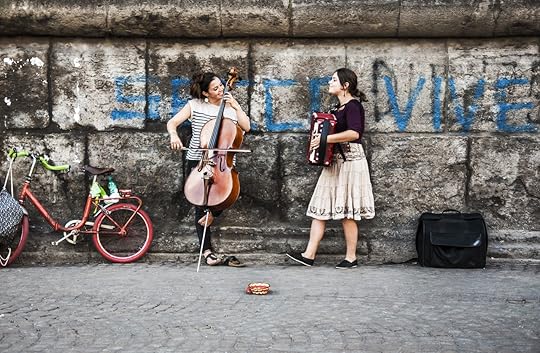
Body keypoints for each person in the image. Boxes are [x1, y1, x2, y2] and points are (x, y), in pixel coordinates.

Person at [287, 68, 375, 269]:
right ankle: (308, 255)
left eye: (334, 80)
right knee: (320, 207)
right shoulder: (336, 110)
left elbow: (354, 133)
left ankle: (351, 257)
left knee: (347, 212)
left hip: (351, 161)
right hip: (334, 161)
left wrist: (324, 139)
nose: (330, 82)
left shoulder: (354, 106)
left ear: (345, 85)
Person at [167, 72, 250, 266]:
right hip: (199, 160)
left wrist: (236, 105)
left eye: (221, 85)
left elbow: (246, 126)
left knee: (226, 196)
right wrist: (174, 136)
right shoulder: (195, 106)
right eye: (215, 88)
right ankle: (207, 252)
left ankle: (212, 214)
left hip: (223, 162)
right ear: (205, 93)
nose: (221, 89)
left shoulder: (230, 108)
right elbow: (173, 123)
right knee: (200, 202)